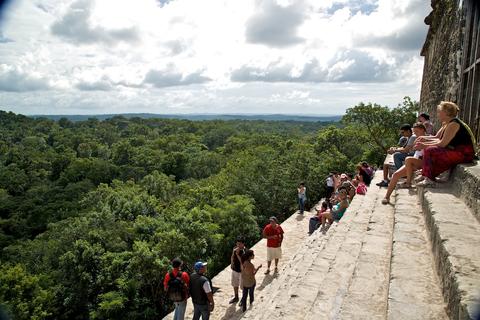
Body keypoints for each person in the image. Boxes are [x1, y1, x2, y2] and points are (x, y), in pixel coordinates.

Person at [414, 101, 476, 187]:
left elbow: (442, 143)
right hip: (455, 150)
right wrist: (424, 140)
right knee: (428, 149)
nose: (438, 114)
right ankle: (426, 174)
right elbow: (438, 138)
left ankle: (429, 179)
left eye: (439, 112)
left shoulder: (454, 124)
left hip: (464, 154)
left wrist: (424, 144)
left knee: (430, 150)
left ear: (446, 113)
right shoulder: (447, 123)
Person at [381, 123, 427, 204]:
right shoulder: (416, 138)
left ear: (423, 130)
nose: (415, 133)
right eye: (414, 131)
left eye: (416, 131)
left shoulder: (427, 138)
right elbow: (408, 148)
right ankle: (387, 197)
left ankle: (408, 182)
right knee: (395, 175)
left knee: (408, 159)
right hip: (413, 162)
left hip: (421, 162)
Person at [229, 236, 246, 304]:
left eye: (239, 244)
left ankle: (243, 299)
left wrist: (237, 254)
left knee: (243, 287)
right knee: (235, 284)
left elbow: (243, 262)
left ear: (243, 244)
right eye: (237, 244)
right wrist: (232, 263)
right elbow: (232, 257)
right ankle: (236, 297)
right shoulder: (235, 249)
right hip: (235, 270)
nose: (238, 245)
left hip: (242, 272)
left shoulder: (245, 251)